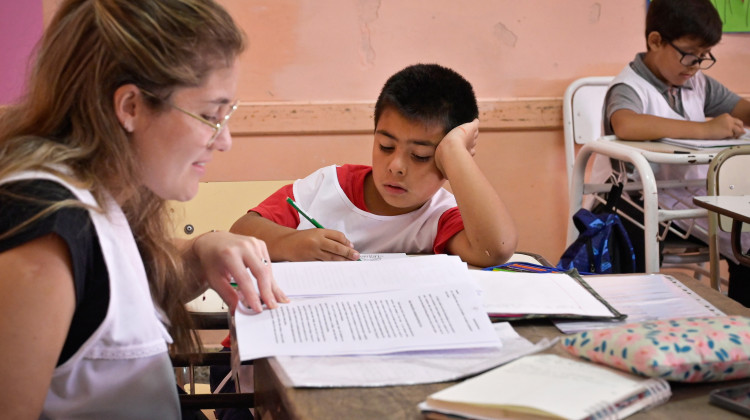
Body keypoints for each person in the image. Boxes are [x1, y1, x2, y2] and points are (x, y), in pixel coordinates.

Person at [0, 0, 287, 418]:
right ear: (130, 107)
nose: (224, 141)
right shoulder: (45, 233)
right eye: (211, 115)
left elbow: (106, 301)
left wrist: (200, 253)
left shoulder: (99, 196)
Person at [230, 63, 518, 268]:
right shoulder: (329, 186)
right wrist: (289, 242)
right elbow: (242, 229)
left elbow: (496, 250)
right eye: (385, 147)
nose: (395, 166)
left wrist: (457, 153)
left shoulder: (439, 216)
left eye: (420, 155)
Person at [602, 0, 750, 302]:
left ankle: (739, 324)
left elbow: (743, 110)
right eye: (689, 55)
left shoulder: (698, 83)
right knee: (742, 237)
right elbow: (626, 124)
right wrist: (707, 129)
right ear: (656, 41)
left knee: (745, 237)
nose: (696, 65)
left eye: (704, 56)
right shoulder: (629, 86)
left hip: (688, 198)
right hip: (637, 201)